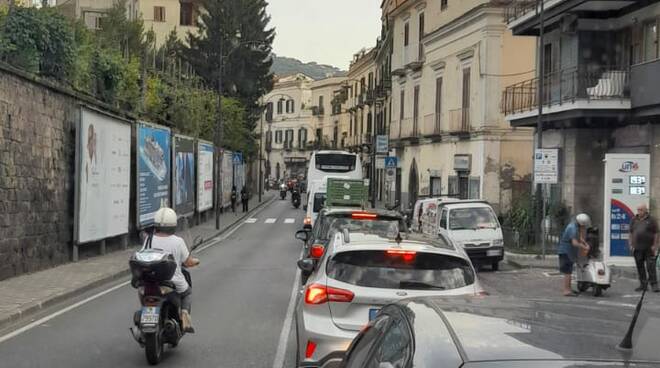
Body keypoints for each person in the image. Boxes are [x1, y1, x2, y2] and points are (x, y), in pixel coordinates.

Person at [145, 207, 200, 333]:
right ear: (173, 225)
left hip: (151, 281)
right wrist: (196, 261)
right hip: (172, 283)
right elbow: (188, 262)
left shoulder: (149, 239)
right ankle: (184, 317)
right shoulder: (178, 242)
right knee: (187, 293)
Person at [557, 213, 591, 297]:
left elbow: (578, 238)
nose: (584, 227)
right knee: (567, 271)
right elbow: (574, 242)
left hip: (568, 252)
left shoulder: (574, 226)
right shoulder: (573, 228)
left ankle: (568, 288)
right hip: (566, 251)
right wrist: (584, 247)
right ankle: (567, 290)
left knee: (569, 270)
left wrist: (584, 243)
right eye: (584, 225)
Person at [629, 204, 659, 292]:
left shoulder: (652, 220)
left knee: (651, 266)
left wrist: (655, 245)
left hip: (649, 248)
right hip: (637, 248)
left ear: (646, 210)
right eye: (638, 210)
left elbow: (656, 233)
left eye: (641, 210)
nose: (639, 211)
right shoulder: (634, 219)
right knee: (640, 266)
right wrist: (630, 244)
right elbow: (630, 232)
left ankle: (654, 285)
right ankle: (643, 285)